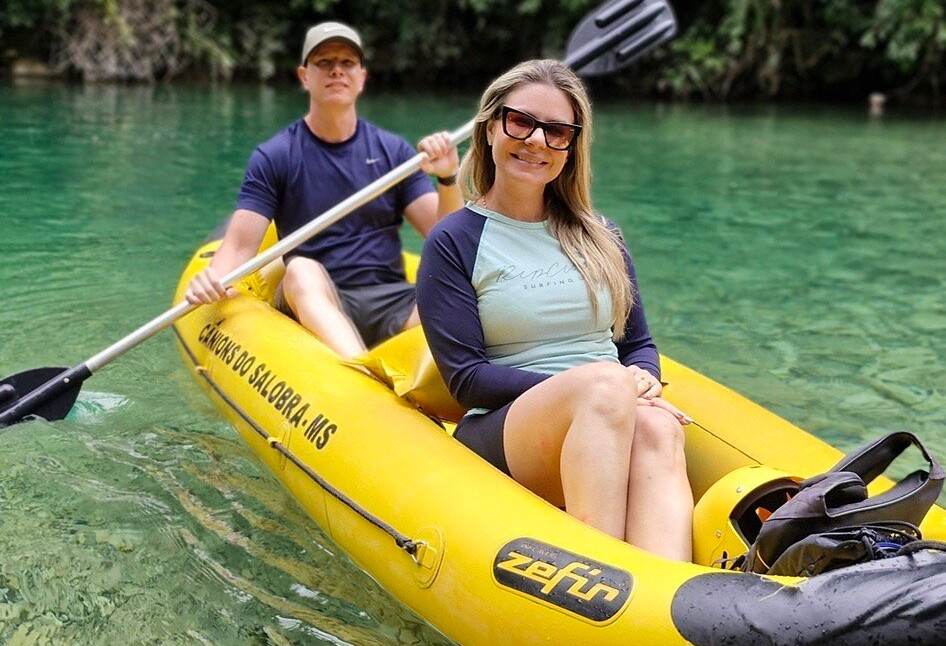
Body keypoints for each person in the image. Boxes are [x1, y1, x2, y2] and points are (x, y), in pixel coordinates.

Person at [416, 60, 693, 561]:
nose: (537, 140)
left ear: (572, 147)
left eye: (557, 131)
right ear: (491, 127)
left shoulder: (601, 236)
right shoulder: (453, 241)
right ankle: (600, 579)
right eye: (521, 122)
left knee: (658, 426)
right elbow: (466, 379)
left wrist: (643, 378)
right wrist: (598, 387)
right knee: (607, 385)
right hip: (503, 427)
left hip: (609, 406)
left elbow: (637, 345)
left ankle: (666, 595)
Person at [185, 21, 462, 357]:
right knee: (301, 268)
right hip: (317, 293)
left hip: (390, 298)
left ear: (362, 77)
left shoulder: (395, 152)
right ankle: (361, 375)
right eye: (324, 63)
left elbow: (444, 235)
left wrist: (448, 177)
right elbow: (241, 247)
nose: (337, 71)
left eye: (347, 63)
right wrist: (212, 278)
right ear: (304, 76)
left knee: (456, 297)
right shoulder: (276, 155)